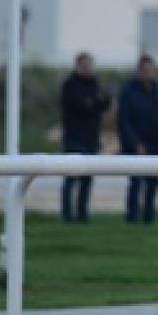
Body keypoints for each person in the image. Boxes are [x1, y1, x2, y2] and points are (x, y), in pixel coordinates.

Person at [117, 54, 158, 224]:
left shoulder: (157, 89)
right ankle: (132, 216)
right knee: (135, 182)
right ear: (139, 71)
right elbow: (124, 120)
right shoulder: (128, 91)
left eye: (150, 70)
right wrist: (135, 143)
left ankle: (149, 216)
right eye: (145, 70)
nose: (148, 73)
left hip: (155, 142)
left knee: (153, 182)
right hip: (137, 143)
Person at [59, 52, 110, 222]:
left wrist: (93, 102)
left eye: (89, 65)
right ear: (77, 66)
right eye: (84, 65)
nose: (88, 69)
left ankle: (82, 214)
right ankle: (67, 214)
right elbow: (80, 105)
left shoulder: (95, 84)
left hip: (91, 138)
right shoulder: (70, 85)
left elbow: (103, 102)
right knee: (71, 178)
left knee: (87, 179)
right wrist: (92, 103)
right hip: (74, 138)